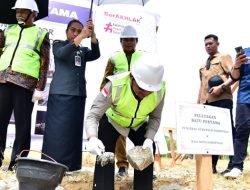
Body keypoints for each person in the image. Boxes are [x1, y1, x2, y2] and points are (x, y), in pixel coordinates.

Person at [86, 53, 165, 190]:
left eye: (149, 91)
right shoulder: (115, 85)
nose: (144, 93)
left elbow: (155, 118)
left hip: (138, 124)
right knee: (105, 153)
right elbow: (93, 114)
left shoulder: (160, 90)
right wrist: (92, 137)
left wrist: (149, 138)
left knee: (146, 150)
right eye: (141, 88)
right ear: (132, 78)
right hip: (113, 120)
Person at [41, 19, 100, 172]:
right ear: (66, 31)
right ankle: (51, 163)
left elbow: (96, 54)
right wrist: (81, 36)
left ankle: (72, 166)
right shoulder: (58, 44)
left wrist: (92, 35)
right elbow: (61, 54)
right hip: (60, 95)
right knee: (57, 132)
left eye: (79, 30)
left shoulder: (82, 50)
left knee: (73, 133)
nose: (75, 33)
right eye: (72, 30)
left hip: (78, 95)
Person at [0, 0, 50, 170]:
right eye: (17, 11)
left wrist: (40, 88)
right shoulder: (8, 30)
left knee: (22, 124)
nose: (19, 14)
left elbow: (45, 63)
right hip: (3, 80)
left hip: (25, 84)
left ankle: (18, 161)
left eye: (23, 11)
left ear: (33, 13)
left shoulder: (41, 34)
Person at [100, 25, 144, 179]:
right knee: (119, 137)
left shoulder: (144, 56)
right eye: (125, 40)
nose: (128, 42)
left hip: (139, 103)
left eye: (131, 39)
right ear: (121, 41)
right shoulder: (114, 58)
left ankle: (144, 170)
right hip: (118, 103)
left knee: (143, 137)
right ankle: (122, 167)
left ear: (137, 41)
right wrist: (102, 102)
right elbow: (106, 80)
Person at [197, 34, 235, 174]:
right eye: (206, 44)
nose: (208, 46)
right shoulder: (202, 66)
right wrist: (199, 104)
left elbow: (235, 75)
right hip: (207, 103)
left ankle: (234, 164)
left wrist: (222, 87)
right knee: (210, 135)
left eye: (211, 43)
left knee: (228, 131)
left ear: (217, 43)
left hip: (223, 100)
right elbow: (201, 86)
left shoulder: (224, 57)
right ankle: (211, 166)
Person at [223, 49, 250, 178]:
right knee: (241, 131)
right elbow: (234, 76)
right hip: (245, 98)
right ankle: (237, 166)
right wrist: (237, 65)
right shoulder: (245, 52)